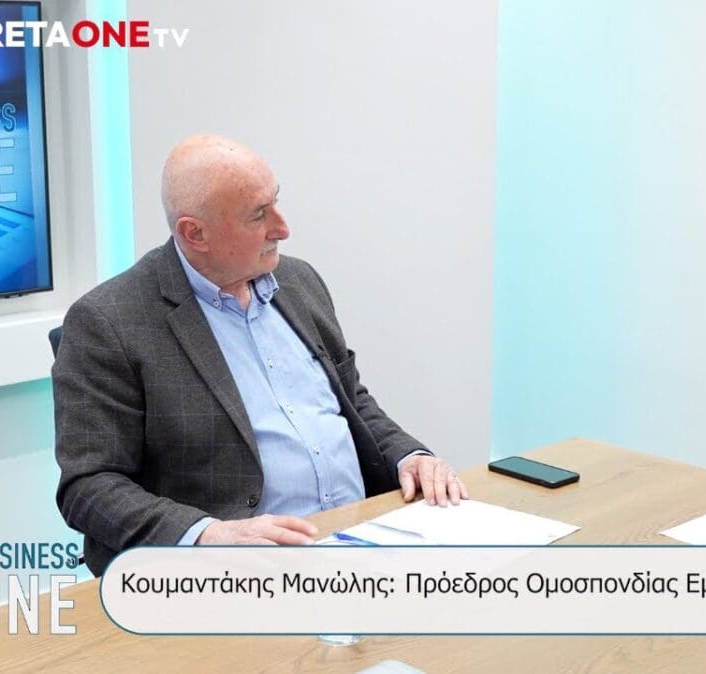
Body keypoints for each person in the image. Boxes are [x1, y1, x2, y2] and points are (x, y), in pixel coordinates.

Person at [54, 135, 467, 575]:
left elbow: (350, 401)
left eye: (276, 202)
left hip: (359, 539)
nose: (283, 228)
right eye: (258, 215)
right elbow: (89, 486)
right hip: (238, 573)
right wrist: (207, 535)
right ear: (195, 233)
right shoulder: (109, 322)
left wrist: (409, 457)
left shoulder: (299, 281)